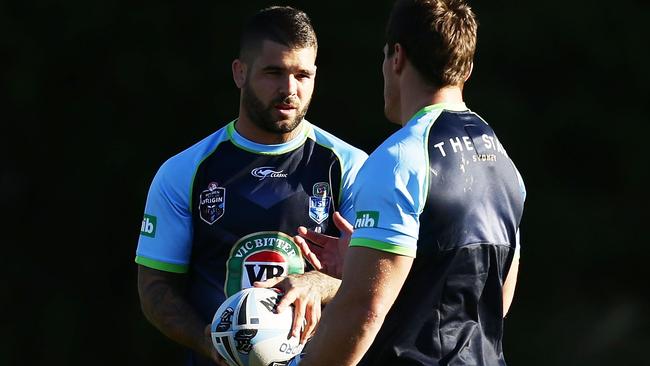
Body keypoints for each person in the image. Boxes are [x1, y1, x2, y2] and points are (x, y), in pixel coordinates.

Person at [259, 0, 526, 365]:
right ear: (466, 67)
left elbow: (362, 313)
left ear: (397, 57)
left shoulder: (402, 158)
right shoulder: (501, 160)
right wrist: (359, 267)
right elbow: (493, 297)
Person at [134, 6, 367, 366]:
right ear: (239, 72)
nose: (289, 89)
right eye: (274, 72)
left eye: (302, 75)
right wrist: (209, 341)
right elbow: (155, 288)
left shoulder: (348, 166)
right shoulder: (184, 171)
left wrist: (317, 284)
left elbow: (375, 280)